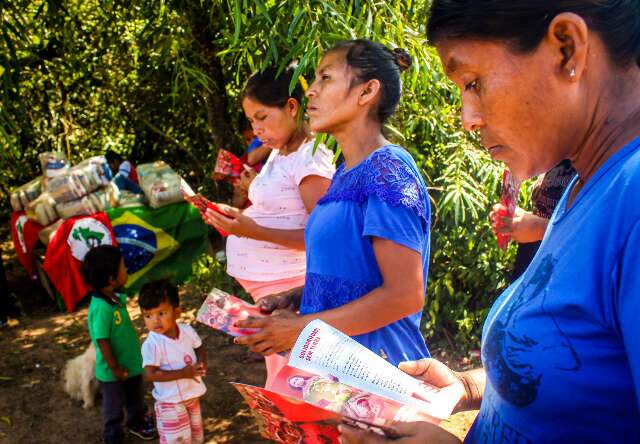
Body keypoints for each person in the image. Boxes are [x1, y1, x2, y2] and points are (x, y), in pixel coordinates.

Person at [340, 1, 640, 443]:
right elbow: (586, 370)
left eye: (473, 82)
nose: (468, 118)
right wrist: (471, 386)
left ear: (567, 49)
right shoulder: (584, 188)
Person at [234, 40, 432, 368]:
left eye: (325, 78)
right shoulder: (343, 174)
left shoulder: (388, 169)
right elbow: (352, 276)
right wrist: (296, 296)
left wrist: (300, 329)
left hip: (376, 374)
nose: (310, 91)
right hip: (333, 372)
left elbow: (404, 295)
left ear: (367, 92)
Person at [203, 67, 335, 389]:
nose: (256, 128)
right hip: (270, 292)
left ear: (292, 107)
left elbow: (324, 240)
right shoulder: (280, 153)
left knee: (300, 386)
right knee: (285, 384)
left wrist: (251, 231)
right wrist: (237, 218)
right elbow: (277, 213)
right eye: (251, 121)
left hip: (290, 293)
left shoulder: (310, 159)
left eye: (262, 117)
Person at [83, 245, 157, 443]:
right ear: (111, 279)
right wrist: (114, 367)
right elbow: (102, 340)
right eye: (123, 267)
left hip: (130, 363)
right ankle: (112, 435)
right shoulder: (101, 308)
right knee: (114, 406)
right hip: (113, 372)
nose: (127, 270)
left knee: (135, 396)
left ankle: (136, 422)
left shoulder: (114, 298)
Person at [139, 280, 207, 444]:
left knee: (196, 437)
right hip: (170, 403)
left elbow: (199, 347)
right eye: (148, 315)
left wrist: (202, 362)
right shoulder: (152, 344)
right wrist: (183, 373)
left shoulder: (187, 331)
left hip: (192, 395)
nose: (155, 320)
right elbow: (150, 374)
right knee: (177, 440)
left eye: (161, 313)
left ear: (177, 312)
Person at [490, 160, 576, 281]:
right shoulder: (556, 159)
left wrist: (540, 228)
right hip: (534, 259)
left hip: (560, 270)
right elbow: (547, 212)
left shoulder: (593, 166)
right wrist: (521, 219)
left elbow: (594, 230)